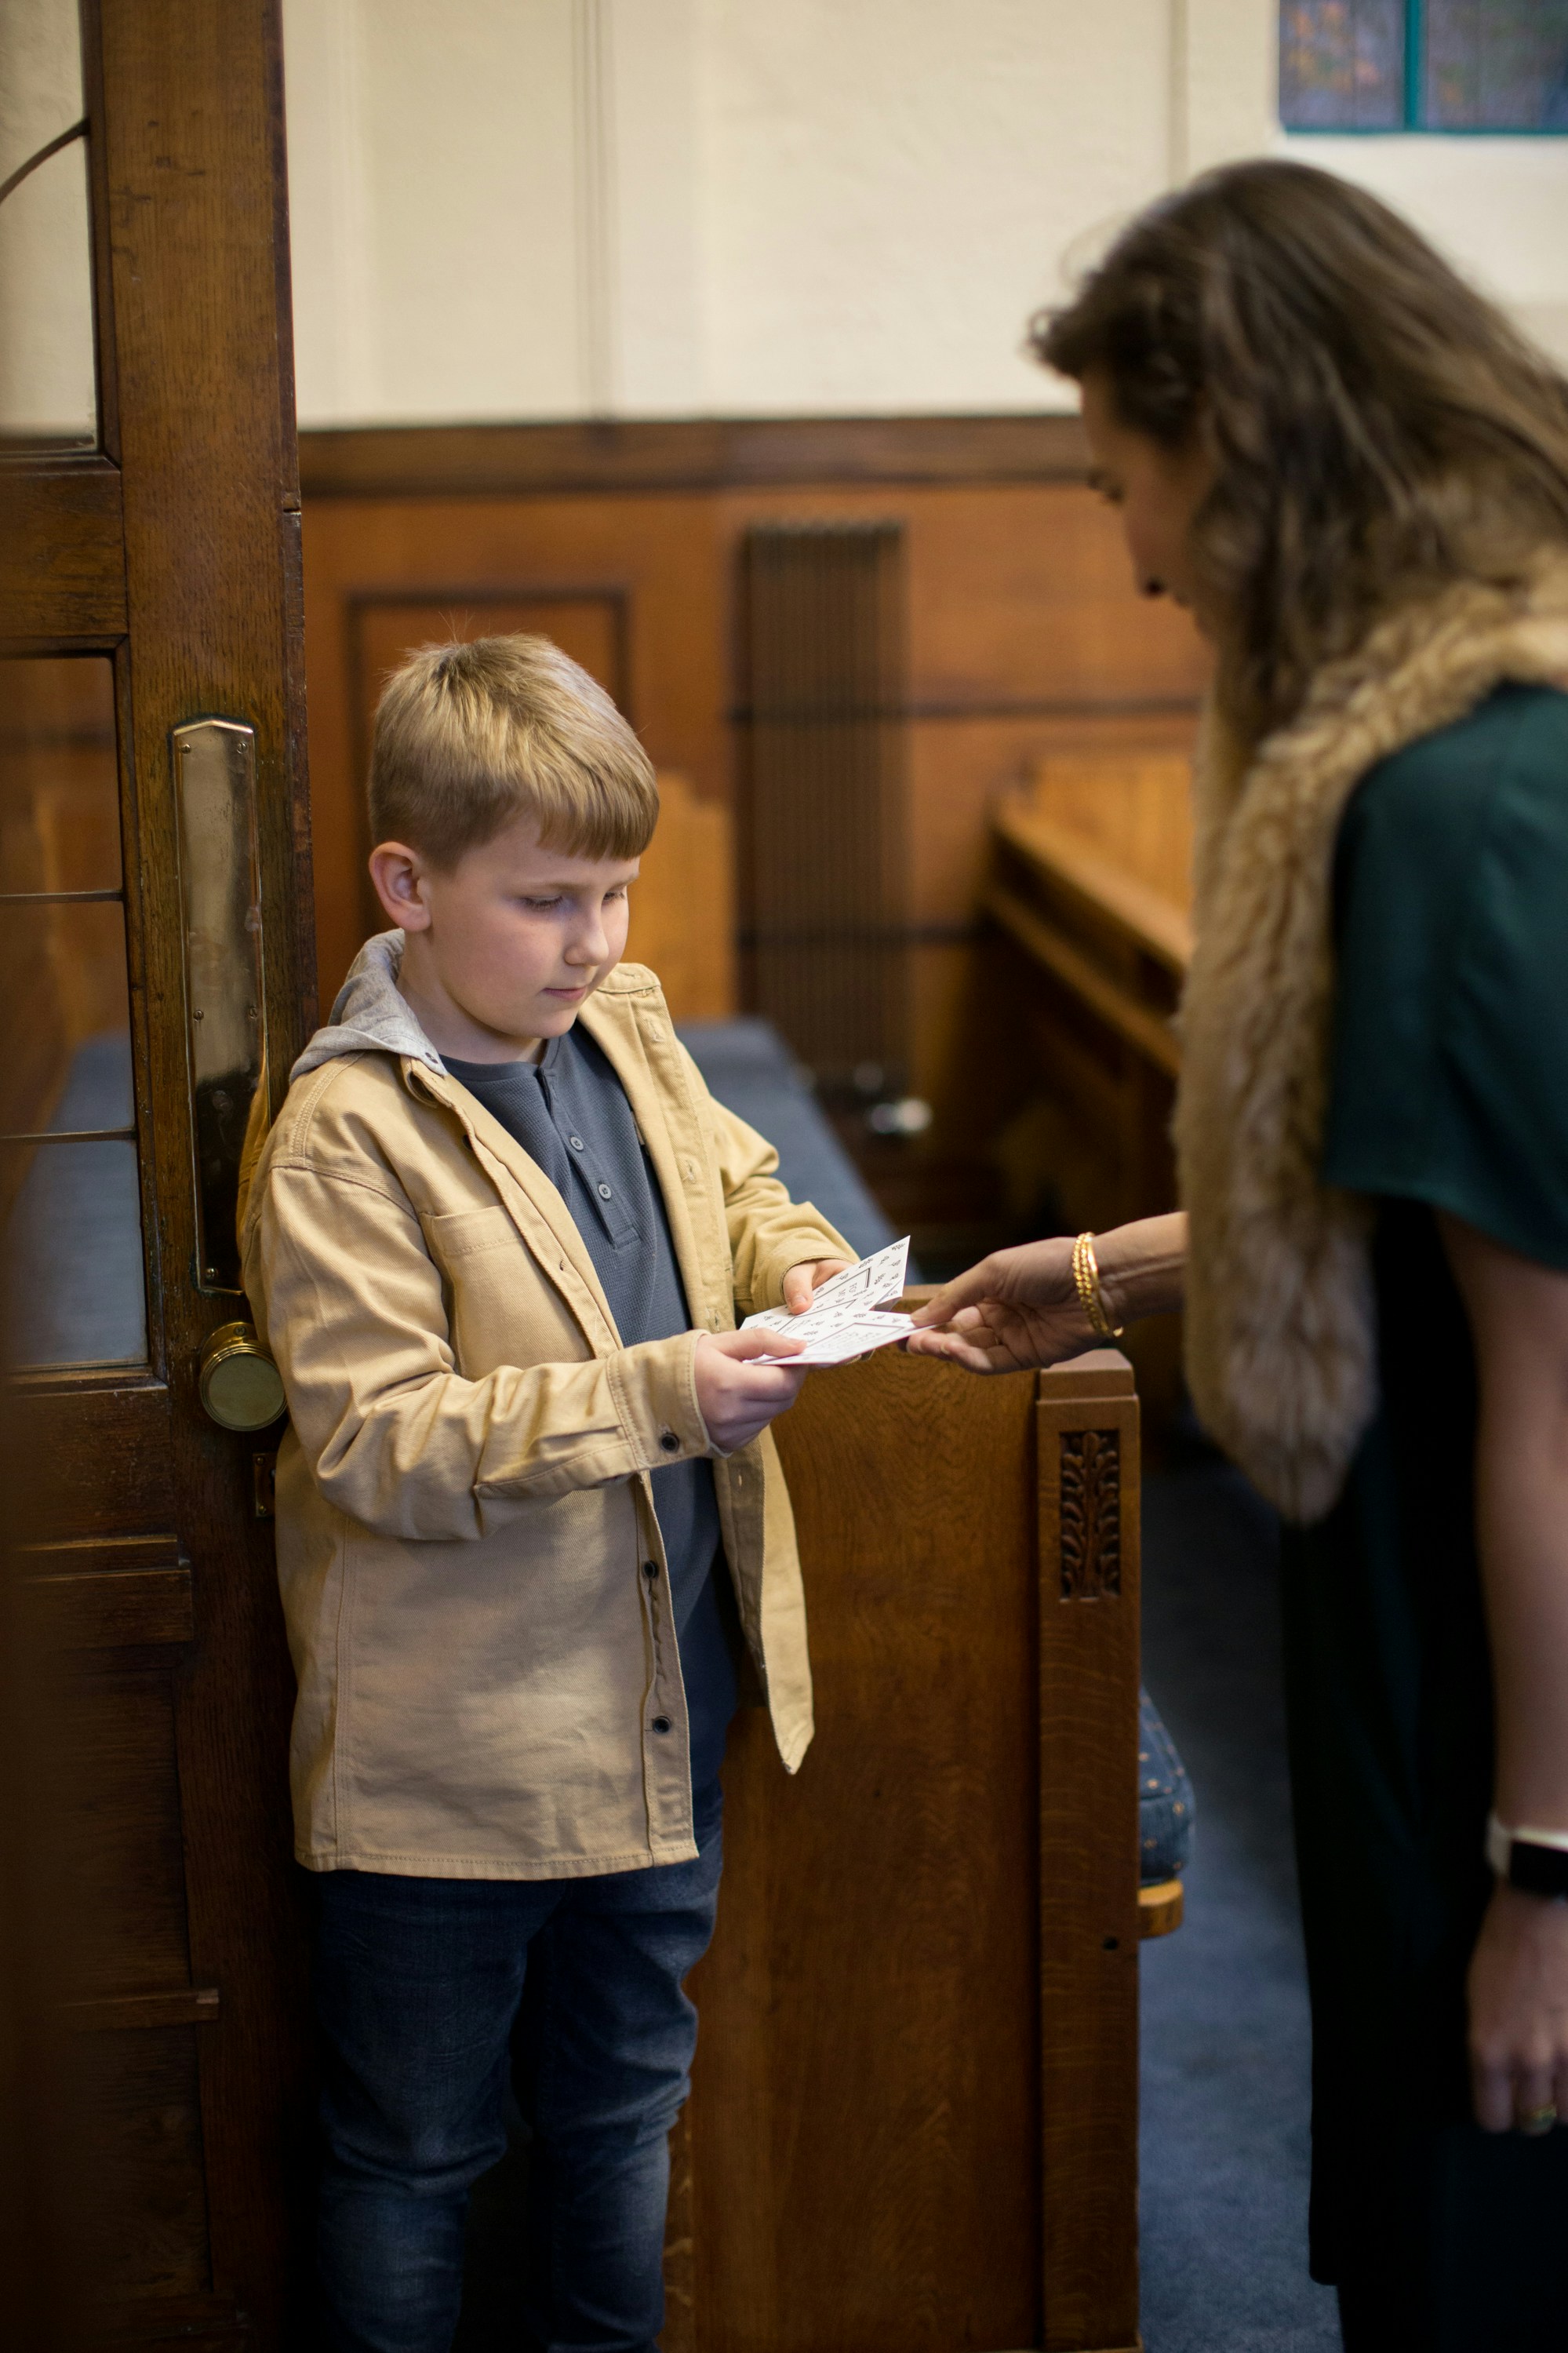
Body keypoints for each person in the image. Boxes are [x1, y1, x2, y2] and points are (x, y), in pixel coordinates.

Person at [908, 161, 1568, 2349]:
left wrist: (1540, 1883)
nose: (1131, 553)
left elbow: (1548, 1399)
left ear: (1251, 443)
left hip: (1497, 1676)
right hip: (1441, 1613)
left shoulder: (1460, 797)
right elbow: (1387, 1200)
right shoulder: (1436, 745)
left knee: (1486, 2243)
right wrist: (1090, 1268)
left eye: (1131, 481)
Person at [240, 634, 852, 2353]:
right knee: (416, 2152)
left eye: (619, 895)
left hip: (662, 1703)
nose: (594, 942)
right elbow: (379, 1445)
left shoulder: (622, 1023)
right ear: (408, 884)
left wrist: (797, 1264)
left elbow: (740, 1184)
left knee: (619, 2123)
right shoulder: (346, 1134)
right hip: (456, 1755)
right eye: (549, 900)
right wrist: (666, 1392)